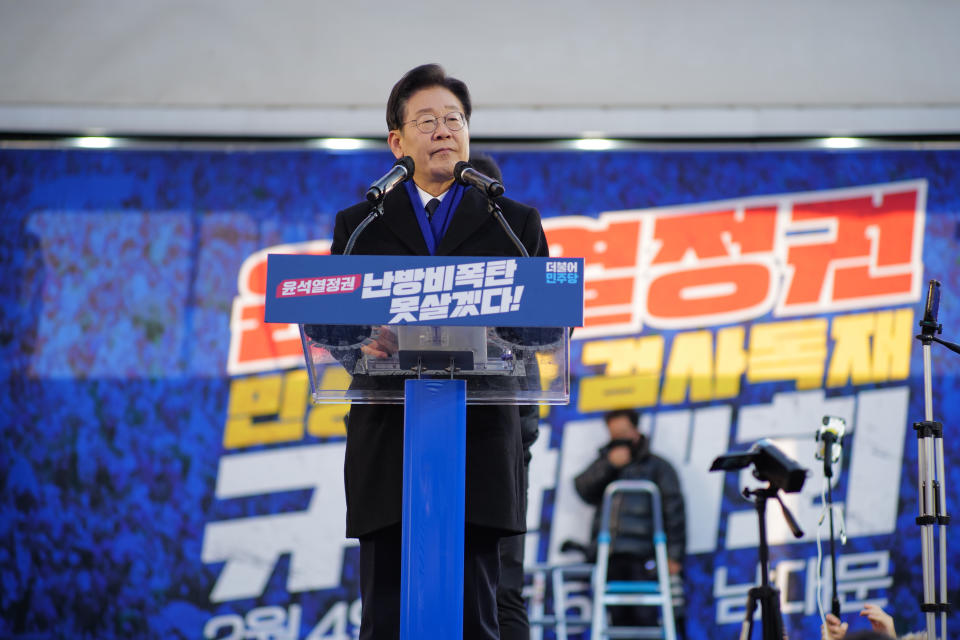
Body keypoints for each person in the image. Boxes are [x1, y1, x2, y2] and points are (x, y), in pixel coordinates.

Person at [327, 64, 550, 640]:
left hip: (476, 446)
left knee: (477, 617)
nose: (444, 130)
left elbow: (545, 327)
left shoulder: (512, 220)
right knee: (385, 620)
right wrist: (364, 336)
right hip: (389, 445)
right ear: (396, 142)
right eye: (426, 120)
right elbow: (328, 327)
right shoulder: (361, 224)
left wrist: (489, 328)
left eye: (454, 119)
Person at [573, 408, 687, 634]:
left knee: (645, 617)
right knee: (616, 619)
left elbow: (674, 512)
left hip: (645, 556)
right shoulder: (607, 464)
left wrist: (673, 556)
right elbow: (583, 488)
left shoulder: (658, 468)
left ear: (636, 431)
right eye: (614, 434)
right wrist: (609, 465)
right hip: (611, 554)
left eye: (624, 432)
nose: (620, 439)